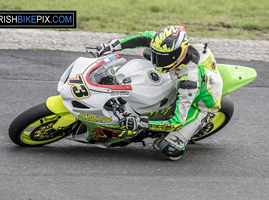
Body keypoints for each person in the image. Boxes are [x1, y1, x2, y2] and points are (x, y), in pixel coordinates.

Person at [95, 26, 223, 160]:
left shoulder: (189, 81)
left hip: (201, 105)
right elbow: (144, 37)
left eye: (161, 58)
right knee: (147, 56)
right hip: (182, 80)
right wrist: (112, 45)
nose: (156, 61)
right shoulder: (164, 45)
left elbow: (175, 121)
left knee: (168, 148)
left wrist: (139, 122)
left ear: (176, 55)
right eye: (156, 55)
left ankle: (187, 132)